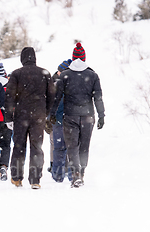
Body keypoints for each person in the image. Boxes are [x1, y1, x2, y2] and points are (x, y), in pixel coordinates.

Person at [49, 43, 106, 188]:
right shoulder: (93, 75)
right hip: (88, 116)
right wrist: (101, 115)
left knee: (72, 146)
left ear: (73, 58)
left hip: (70, 116)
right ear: (84, 58)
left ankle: (75, 175)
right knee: (84, 146)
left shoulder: (66, 75)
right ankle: (81, 172)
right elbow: (98, 97)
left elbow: (57, 97)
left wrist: (52, 114)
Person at [5, 46, 56, 189]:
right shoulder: (45, 73)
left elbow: (9, 97)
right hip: (38, 115)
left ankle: (16, 178)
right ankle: (35, 180)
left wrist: (8, 117)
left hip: (21, 115)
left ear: (22, 59)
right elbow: (52, 95)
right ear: (34, 58)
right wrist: (45, 112)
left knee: (19, 146)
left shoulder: (16, 74)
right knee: (37, 147)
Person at [47, 59, 73, 183]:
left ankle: (60, 172)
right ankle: (58, 171)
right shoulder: (54, 82)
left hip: (60, 119)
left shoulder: (58, 83)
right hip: (59, 119)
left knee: (59, 147)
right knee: (60, 146)